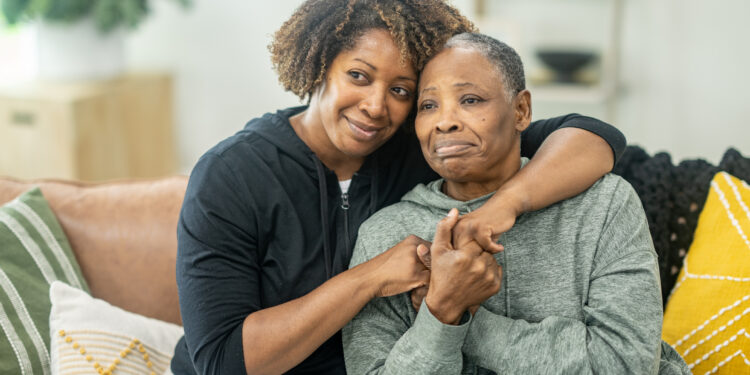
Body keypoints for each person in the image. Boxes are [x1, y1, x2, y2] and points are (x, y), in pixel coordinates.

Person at [171, 1, 627, 374]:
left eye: (402, 90)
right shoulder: (231, 175)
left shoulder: (424, 146)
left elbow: (592, 137)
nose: (374, 106)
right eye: (358, 76)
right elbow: (221, 362)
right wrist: (372, 276)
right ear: (320, 64)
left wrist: (503, 206)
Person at [342, 32, 690, 374]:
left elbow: (626, 365)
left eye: (470, 100)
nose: (444, 122)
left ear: (521, 110)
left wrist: (461, 317)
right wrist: (443, 313)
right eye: (428, 105)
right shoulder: (385, 235)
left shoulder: (604, 205)